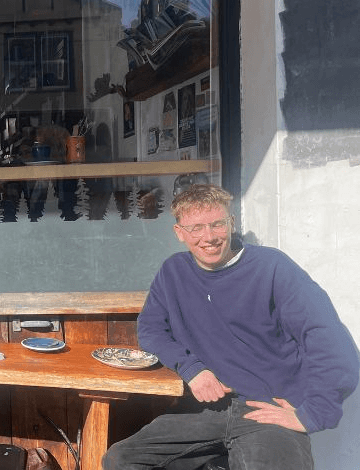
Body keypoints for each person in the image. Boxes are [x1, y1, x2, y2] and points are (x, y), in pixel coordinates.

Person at [102, 184, 359, 470]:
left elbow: (328, 339)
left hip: (265, 408)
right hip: (204, 411)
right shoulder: (173, 272)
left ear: (231, 223)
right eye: (196, 227)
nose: (209, 237)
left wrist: (313, 413)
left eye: (217, 224)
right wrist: (192, 369)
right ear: (180, 233)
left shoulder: (272, 267)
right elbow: (150, 329)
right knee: (121, 459)